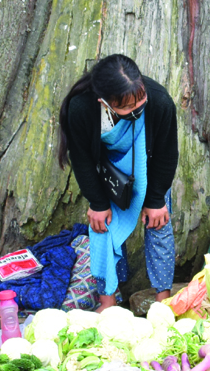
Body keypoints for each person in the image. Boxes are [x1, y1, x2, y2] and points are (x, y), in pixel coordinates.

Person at [59, 54, 179, 310]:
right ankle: (109, 301)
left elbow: (168, 154)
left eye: (140, 100)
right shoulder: (81, 108)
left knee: (159, 224)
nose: (137, 109)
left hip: (150, 170)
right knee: (101, 226)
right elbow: (81, 160)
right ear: (104, 102)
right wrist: (98, 202)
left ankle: (164, 302)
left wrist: (156, 199)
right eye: (126, 107)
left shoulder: (159, 101)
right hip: (109, 174)